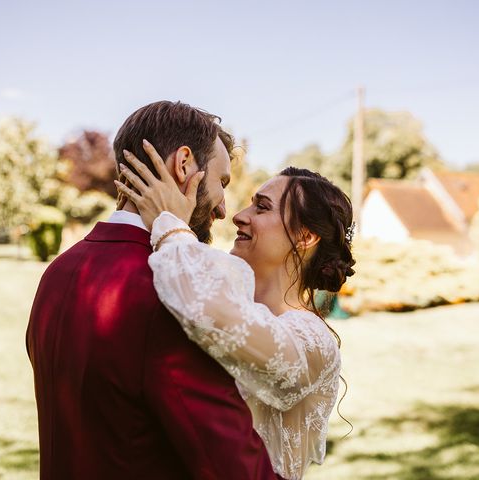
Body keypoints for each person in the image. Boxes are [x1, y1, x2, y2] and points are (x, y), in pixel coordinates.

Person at [26, 101, 284, 479]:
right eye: (222, 183)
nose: (224, 210)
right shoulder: (173, 293)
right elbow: (231, 467)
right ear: (184, 165)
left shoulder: (59, 272)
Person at [115, 143, 356, 479]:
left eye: (262, 208)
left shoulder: (313, 341)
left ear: (304, 237)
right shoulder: (231, 296)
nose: (240, 214)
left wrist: (171, 225)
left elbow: (209, 313)